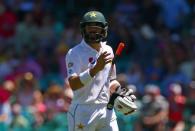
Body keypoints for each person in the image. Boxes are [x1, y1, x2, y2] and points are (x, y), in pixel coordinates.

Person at [65, 10, 136, 131]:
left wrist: (119, 91)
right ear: (83, 30)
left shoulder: (108, 50)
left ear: (104, 30)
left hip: (106, 108)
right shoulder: (74, 53)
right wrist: (96, 68)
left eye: (97, 29)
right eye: (90, 29)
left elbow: (111, 80)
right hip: (83, 110)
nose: (93, 32)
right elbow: (74, 84)